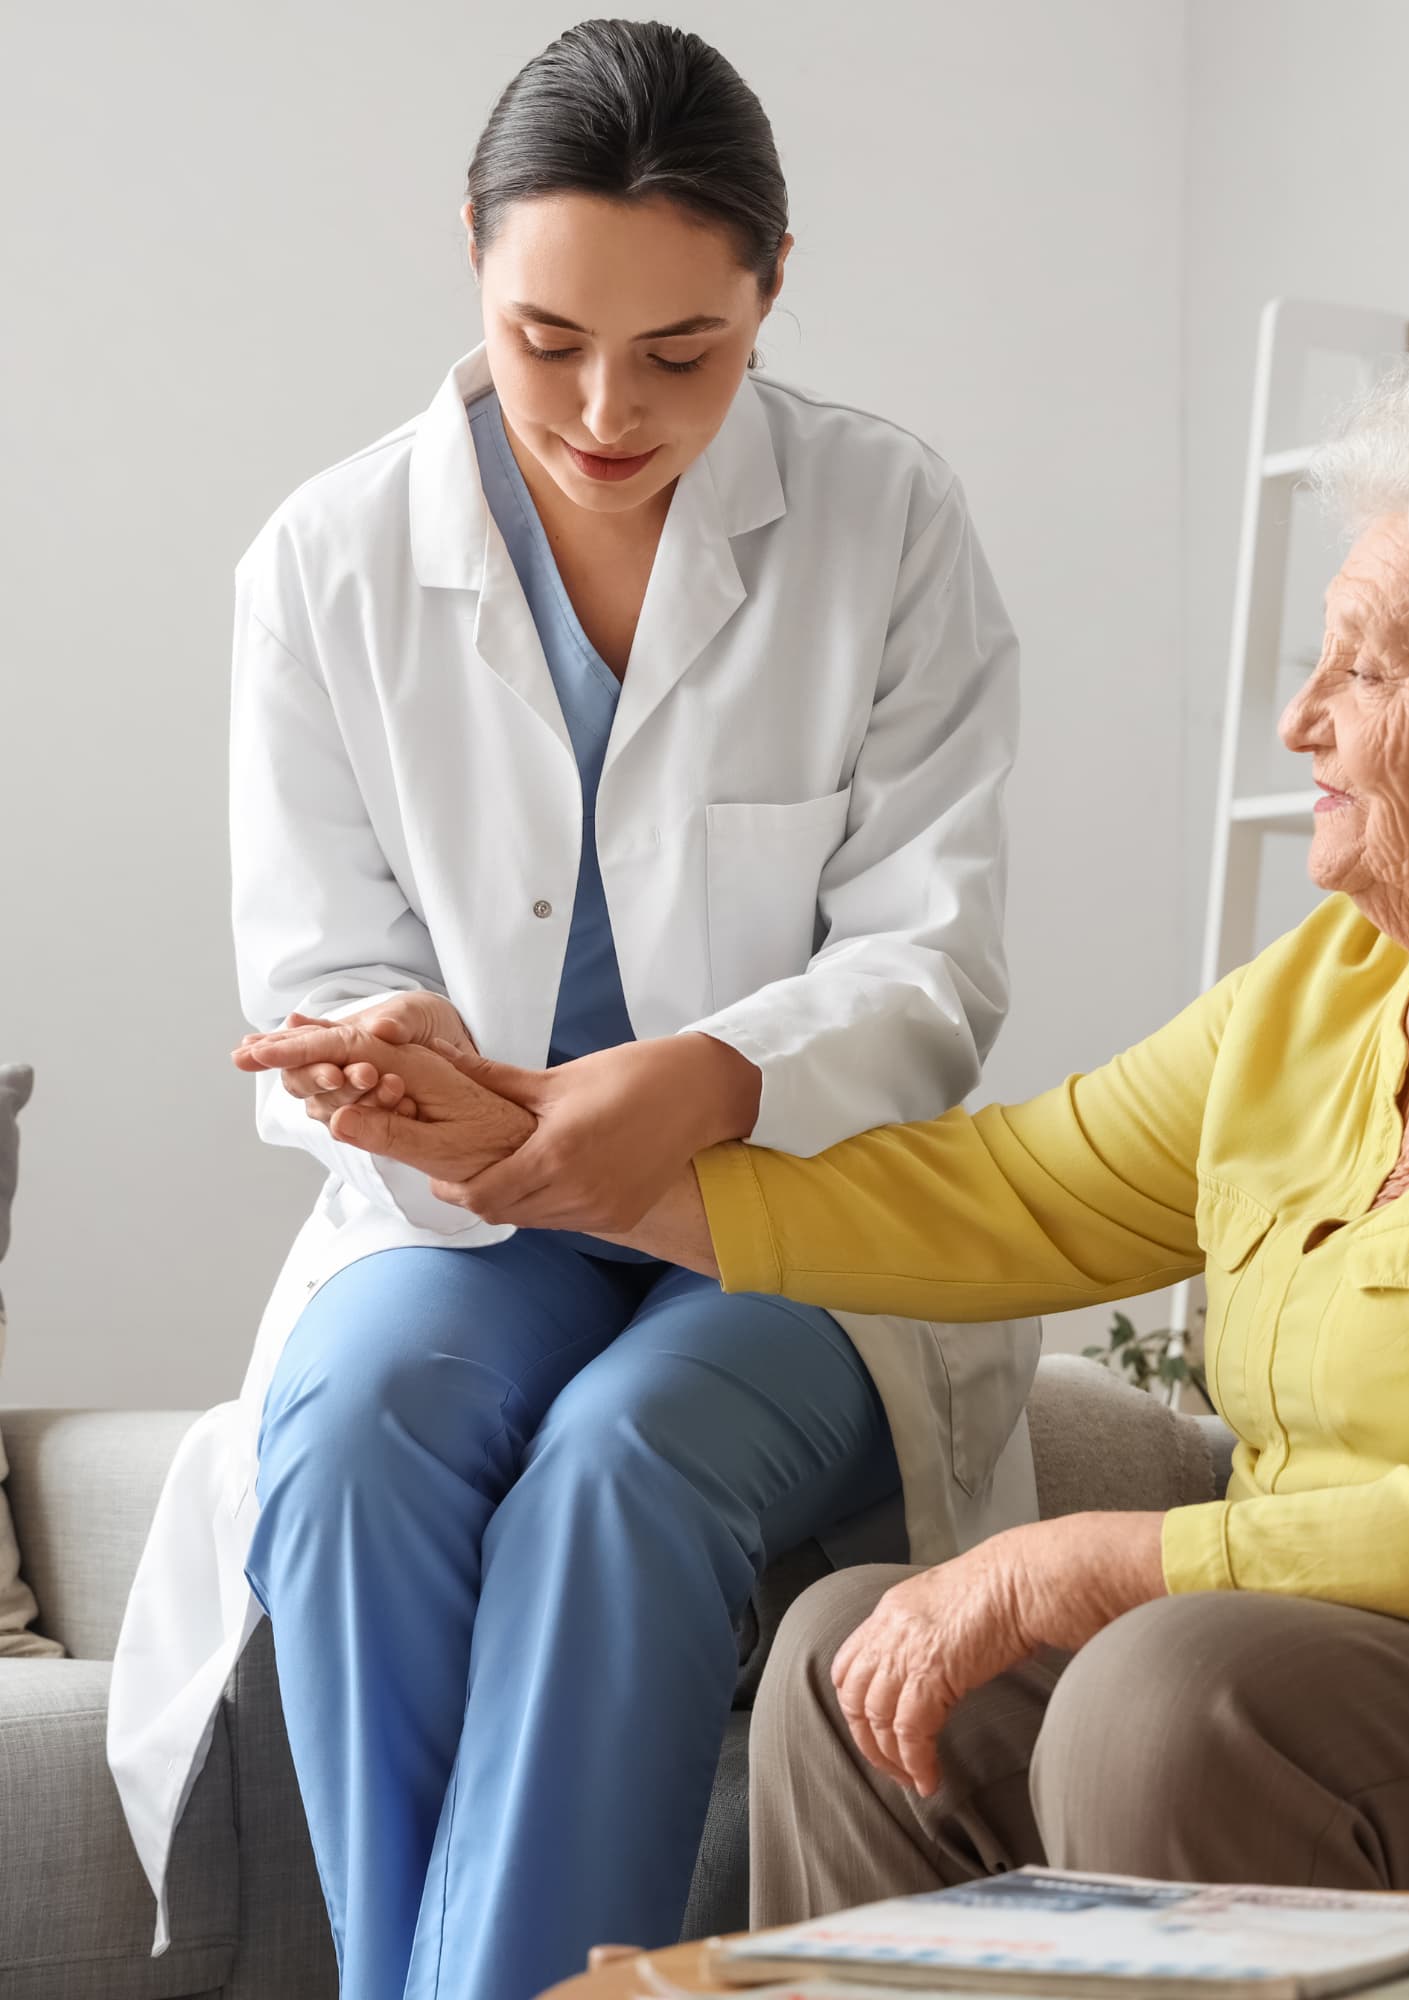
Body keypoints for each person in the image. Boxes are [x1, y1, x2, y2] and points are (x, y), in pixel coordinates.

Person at [310, 356, 1409, 1916]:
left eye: (1367, 665)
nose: (1302, 719)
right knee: (858, 1661)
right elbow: (1016, 1190)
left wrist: (1101, 1562)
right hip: (1380, 1667)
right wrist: (564, 1151)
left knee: (1171, 1697)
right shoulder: (1340, 985)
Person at [105, 23, 1038, 1998]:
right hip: (470, 1216)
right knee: (350, 1432)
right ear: (468, 256)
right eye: (549, 340)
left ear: (773, 282)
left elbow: (930, 959)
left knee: (627, 1464)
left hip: (789, 1212)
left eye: (681, 353)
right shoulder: (326, 563)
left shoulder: (889, 528)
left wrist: (708, 1074)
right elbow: (319, 976)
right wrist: (403, 1083)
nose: (606, 409)